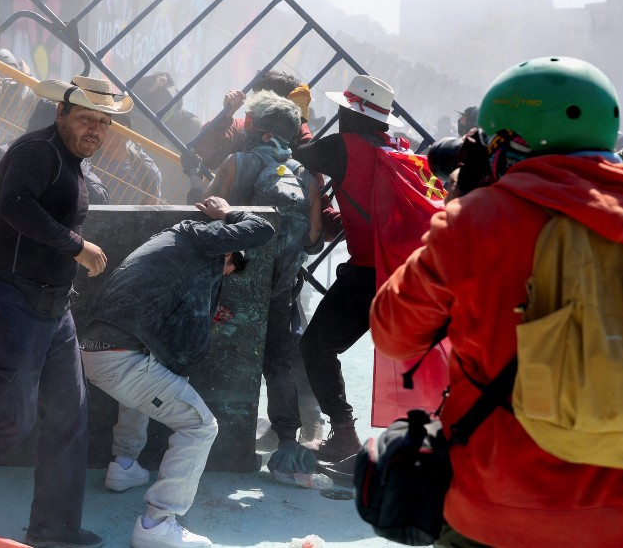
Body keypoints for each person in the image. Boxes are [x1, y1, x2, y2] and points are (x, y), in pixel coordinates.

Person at [370, 56, 623, 547]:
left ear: (502, 142)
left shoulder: (475, 222)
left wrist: (461, 203)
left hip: (496, 509)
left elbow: (393, 333)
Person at [0, 75, 132, 548]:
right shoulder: (37, 151)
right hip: (11, 301)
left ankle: (54, 529)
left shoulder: (72, 161)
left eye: (103, 122)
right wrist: (76, 246)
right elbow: (13, 206)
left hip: (54, 307)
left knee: (70, 419)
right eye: (85, 119)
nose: (95, 129)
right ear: (60, 114)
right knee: (7, 420)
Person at [79, 196, 273, 548]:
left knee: (154, 383)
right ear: (227, 250)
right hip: (122, 359)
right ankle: (157, 524)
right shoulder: (198, 240)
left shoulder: (174, 247)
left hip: (99, 351)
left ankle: (123, 465)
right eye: (226, 270)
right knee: (200, 427)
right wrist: (230, 212)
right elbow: (262, 229)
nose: (220, 278)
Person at [292, 74, 417, 462]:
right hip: (408, 272)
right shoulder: (398, 148)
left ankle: (344, 434)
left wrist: (299, 113)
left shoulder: (342, 146)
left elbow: (299, 151)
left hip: (369, 273)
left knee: (315, 347)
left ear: (350, 112)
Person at [204, 91, 323, 464]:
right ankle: (287, 440)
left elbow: (203, 217)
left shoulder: (235, 163)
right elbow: (313, 238)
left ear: (253, 125)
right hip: (280, 289)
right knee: (278, 362)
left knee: (217, 357)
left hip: (231, 283)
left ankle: (217, 443)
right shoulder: (307, 177)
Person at [190, 70, 313, 170]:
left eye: (258, 99)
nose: (252, 104)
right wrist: (225, 115)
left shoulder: (304, 145)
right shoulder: (246, 126)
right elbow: (204, 157)